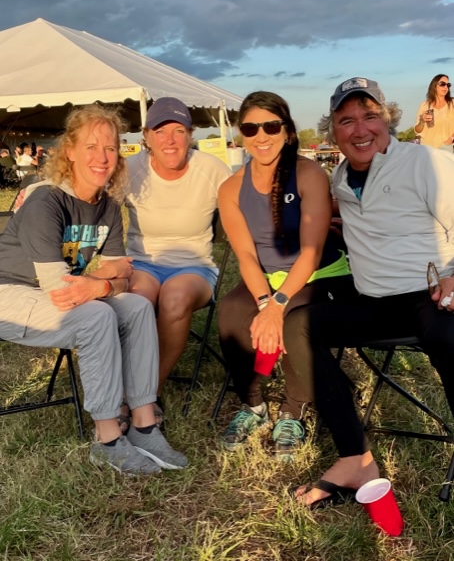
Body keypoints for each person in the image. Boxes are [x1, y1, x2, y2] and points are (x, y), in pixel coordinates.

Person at [284, 77, 454, 507]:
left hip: (431, 292)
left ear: (388, 119)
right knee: (298, 326)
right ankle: (354, 459)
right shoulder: (340, 177)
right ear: (333, 132)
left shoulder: (425, 162)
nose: (360, 130)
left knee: (446, 332)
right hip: (375, 302)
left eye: (370, 116)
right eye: (347, 121)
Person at [0, 104, 188, 475]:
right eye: (91, 146)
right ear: (69, 151)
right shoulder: (46, 201)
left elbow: (124, 275)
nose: (101, 157)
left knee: (136, 306)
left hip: (60, 293)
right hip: (11, 294)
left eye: (110, 148)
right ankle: (107, 440)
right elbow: (61, 286)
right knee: (97, 315)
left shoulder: (107, 206)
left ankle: (144, 424)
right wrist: (105, 282)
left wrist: (103, 283)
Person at [217, 91, 353, 460]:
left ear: (287, 131)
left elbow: (311, 251)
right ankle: (253, 405)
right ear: (241, 134)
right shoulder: (230, 188)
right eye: (251, 128)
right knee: (231, 311)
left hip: (321, 273)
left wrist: (276, 306)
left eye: (271, 126)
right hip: (268, 278)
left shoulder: (309, 174)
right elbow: (246, 255)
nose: (261, 136)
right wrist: (265, 301)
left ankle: (293, 410)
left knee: (294, 317)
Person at [126, 97, 231, 412]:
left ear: (190, 135)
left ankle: (146, 394)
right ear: (146, 137)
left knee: (174, 298)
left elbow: (246, 205)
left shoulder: (211, 169)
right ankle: (127, 384)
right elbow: (86, 195)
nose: (169, 140)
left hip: (194, 266)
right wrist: (36, 191)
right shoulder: (130, 169)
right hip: (142, 262)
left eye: (178, 131)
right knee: (137, 298)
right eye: (160, 131)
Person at [414, 74, 454, 150]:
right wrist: (422, 121)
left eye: (448, 85)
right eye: (442, 84)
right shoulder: (424, 105)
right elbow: (417, 130)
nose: (446, 87)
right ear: (434, 86)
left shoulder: (452, 103)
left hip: (446, 147)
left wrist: (451, 139)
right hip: (427, 149)